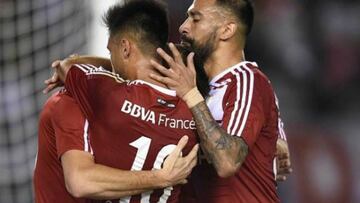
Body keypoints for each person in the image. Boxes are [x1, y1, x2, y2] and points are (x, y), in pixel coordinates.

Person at [33, 1, 200, 203]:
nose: (111, 62)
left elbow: (67, 65)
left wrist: (161, 178)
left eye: (111, 53)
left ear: (125, 48)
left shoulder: (104, 96)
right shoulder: (193, 110)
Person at [148, 0, 291, 202]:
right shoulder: (193, 82)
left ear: (226, 30)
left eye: (196, 19)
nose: (183, 27)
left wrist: (190, 95)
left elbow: (227, 162)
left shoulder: (247, 80)